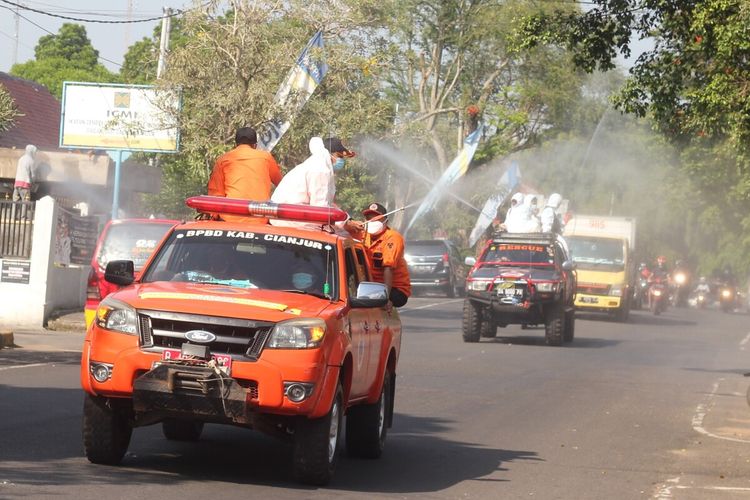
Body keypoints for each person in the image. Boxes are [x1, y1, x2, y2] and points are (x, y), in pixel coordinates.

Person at [270, 136, 356, 230]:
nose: (341, 161)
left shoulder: (314, 164)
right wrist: (345, 224)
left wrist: (347, 220)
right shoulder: (321, 169)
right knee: (343, 236)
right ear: (332, 154)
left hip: (284, 217)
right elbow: (321, 208)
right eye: (340, 157)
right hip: (293, 221)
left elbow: (327, 204)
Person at [207, 127, 283, 223]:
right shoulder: (265, 157)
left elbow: (216, 193)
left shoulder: (223, 159)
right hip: (260, 219)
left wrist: (214, 217)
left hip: (229, 219)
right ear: (255, 145)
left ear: (236, 144)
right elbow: (281, 184)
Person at [349, 202, 411, 308]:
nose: (372, 222)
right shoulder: (362, 235)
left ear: (386, 221)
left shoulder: (393, 238)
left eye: (376, 219)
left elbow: (389, 268)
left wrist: (384, 298)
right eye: (369, 218)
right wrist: (350, 223)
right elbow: (342, 229)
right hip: (369, 285)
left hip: (395, 288)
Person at [13, 145, 37, 220]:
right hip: (25, 185)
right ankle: (23, 217)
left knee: (15, 200)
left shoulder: (21, 159)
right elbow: (33, 175)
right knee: (25, 201)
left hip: (17, 184)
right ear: (32, 151)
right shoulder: (31, 161)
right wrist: (33, 182)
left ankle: (14, 216)